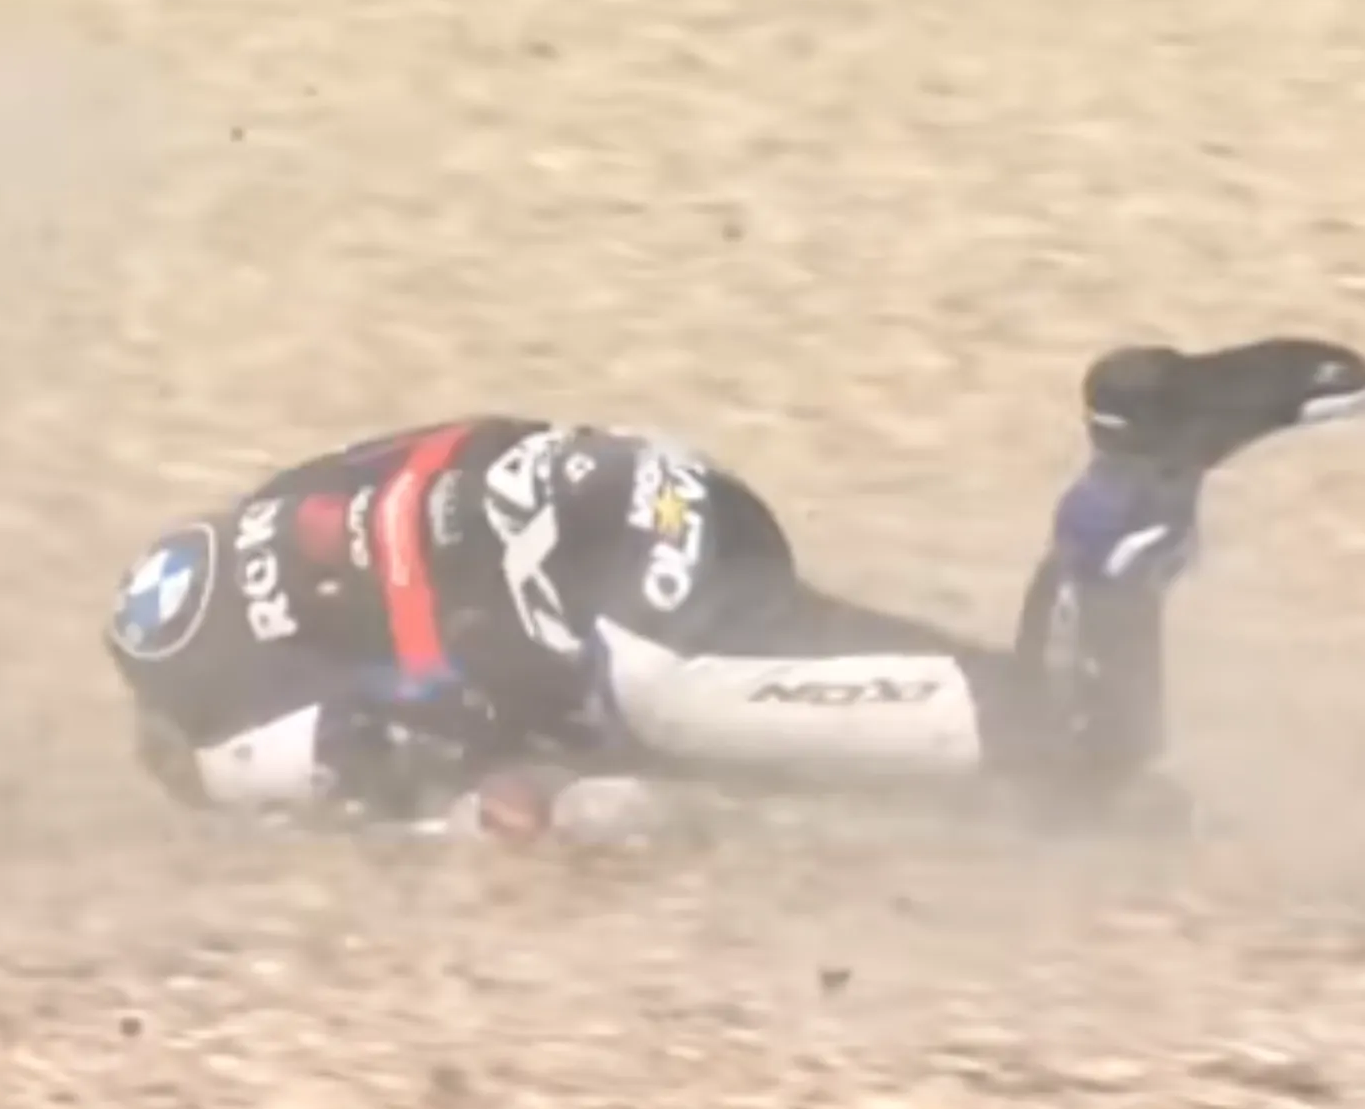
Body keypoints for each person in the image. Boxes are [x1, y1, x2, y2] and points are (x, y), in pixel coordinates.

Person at [105, 337, 1365, 839]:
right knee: (1012, 767)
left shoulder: (239, 739)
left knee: (1070, 744)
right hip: (652, 491)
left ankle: (1135, 459)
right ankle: (1060, 801)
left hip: (655, 641)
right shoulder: (271, 513)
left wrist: (500, 820)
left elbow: (517, 810)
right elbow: (476, 438)